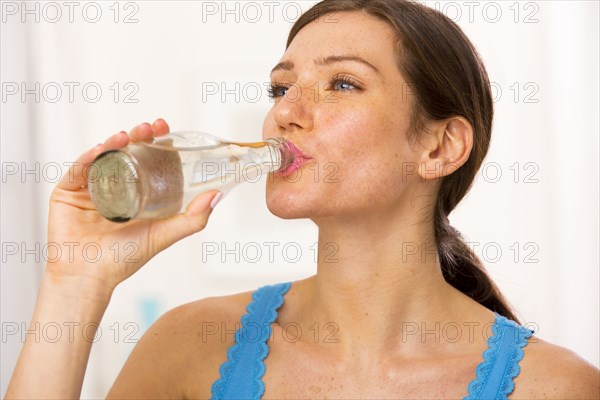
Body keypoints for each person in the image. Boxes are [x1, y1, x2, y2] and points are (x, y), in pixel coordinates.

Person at [6, 0, 599, 399]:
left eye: (342, 83)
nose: (284, 112)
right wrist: (74, 284)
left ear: (440, 147)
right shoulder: (189, 346)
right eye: (281, 86)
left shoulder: (555, 386)